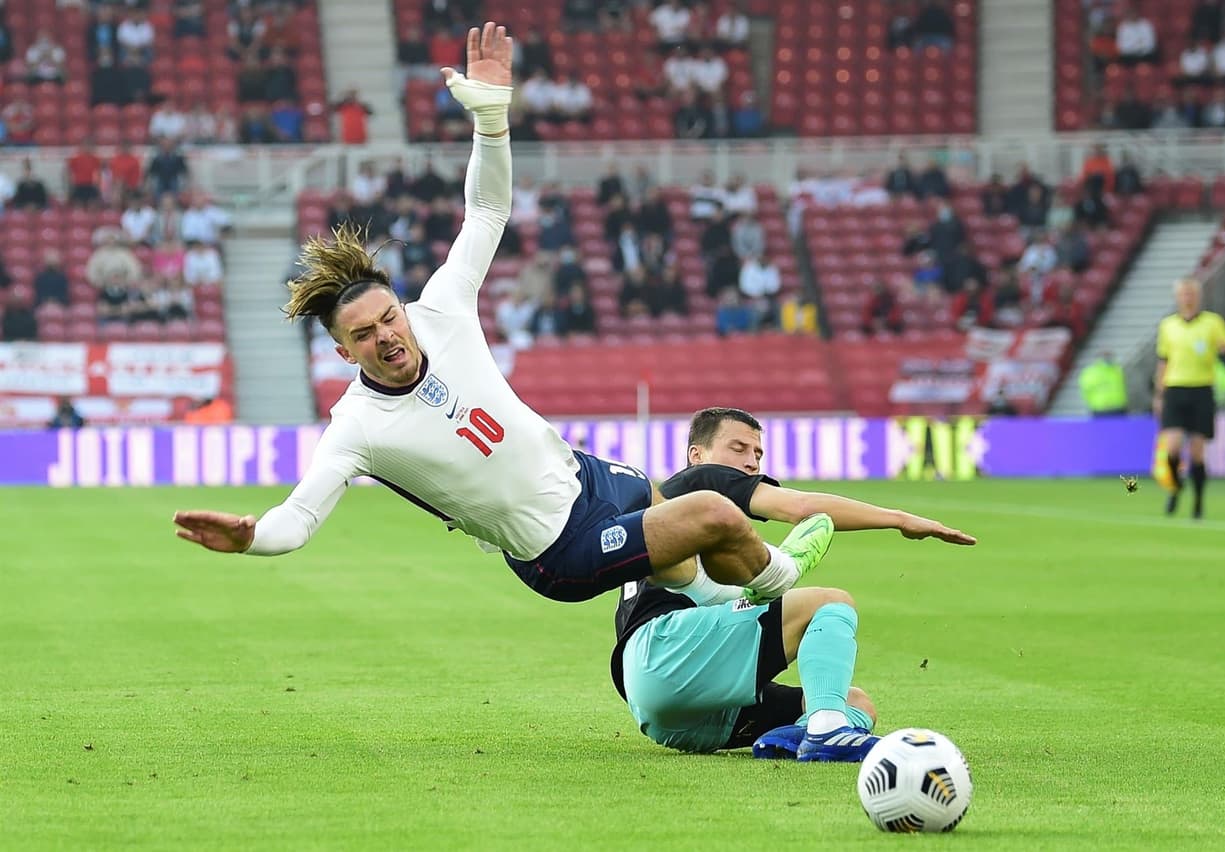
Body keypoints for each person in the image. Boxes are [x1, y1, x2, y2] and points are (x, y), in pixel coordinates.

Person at [172, 23, 831, 609]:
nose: (385, 336)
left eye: (388, 319)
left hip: (583, 474)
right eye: (363, 335)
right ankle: (776, 580)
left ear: (402, 309)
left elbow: (486, 212)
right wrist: (252, 537)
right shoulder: (357, 428)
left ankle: (716, 604)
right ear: (344, 353)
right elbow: (298, 517)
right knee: (712, 512)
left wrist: (492, 120)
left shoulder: (442, 308)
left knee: (665, 517)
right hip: (557, 551)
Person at [613, 408, 976, 761]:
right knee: (829, 602)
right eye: (738, 448)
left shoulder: (683, 522)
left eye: (757, 453)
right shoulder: (700, 482)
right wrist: (899, 519)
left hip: (671, 711)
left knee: (856, 704)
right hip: (667, 652)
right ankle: (827, 733)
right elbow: (802, 506)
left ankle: (802, 733)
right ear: (697, 454)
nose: (751, 461)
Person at [1154, 277, 1225, 519]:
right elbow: (1163, 361)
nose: (1188, 297)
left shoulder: (1213, 323)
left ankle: (1198, 503)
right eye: (1184, 293)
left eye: (1191, 293)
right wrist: (1159, 395)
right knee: (1172, 447)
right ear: (1178, 297)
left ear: (1198, 296)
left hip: (1202, 389)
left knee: (1198, 451)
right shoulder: (1168, 326)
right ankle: (1176, 487)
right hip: (1175, 389)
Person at [1078, 351, 1128, 416]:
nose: (1107, 359)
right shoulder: (1090, 372)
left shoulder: (1118, 370)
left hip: (1119, 407)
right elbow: (1086, 391)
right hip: (1101, 409)